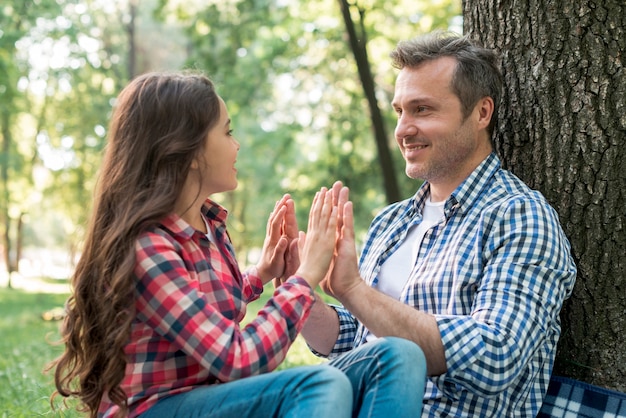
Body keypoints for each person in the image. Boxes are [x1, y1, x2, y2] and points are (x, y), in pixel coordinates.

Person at [48, 71, 427, 418]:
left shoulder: (208, 225)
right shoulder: (147, 248)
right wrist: (307, 275)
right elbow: (237, 359)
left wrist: (263, 273)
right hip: (154, 409)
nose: (237, 145)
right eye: (227, 132)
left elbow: (203, 305)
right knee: (320, 384)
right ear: (190, 150)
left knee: (398, 355)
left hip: (214, 400)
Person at [299, 31, 578, 417]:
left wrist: (354, 290)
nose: (403, 129)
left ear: (481, 113)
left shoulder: (519, 216)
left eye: (423, 110)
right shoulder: (390, 222)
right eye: (400, 111)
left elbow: (494, 356)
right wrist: (300, 297)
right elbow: (360, 337)